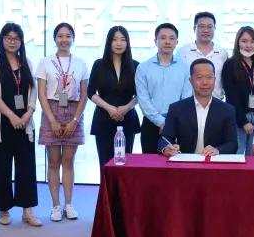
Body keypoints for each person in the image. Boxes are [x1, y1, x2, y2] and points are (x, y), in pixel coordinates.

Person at [0, 23, 41, 227]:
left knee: (27, 168)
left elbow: (33, 90)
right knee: (2, 169)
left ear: (21, 41)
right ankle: (4, 210)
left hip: (25, 123)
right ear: (2, 39)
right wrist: (11, 116)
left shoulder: (26, 62)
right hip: (1, 125)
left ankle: (28, 211)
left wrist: (29, 113)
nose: (12, 41)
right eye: (8, 37)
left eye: (16, 38)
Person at [36, 23, 88, 222]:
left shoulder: (80, 63)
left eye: (68, 36)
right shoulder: (45, 62)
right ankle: (55, 206)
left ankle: (69, 204)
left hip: (74, 111)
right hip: (51, 110)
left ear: (73, 38)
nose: (64, 40)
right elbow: (42, 94)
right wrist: (52, 120)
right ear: (55, 39)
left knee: (68, 161)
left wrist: (75, 120)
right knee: (53, 161)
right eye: (60, 36)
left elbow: (84, 95)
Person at [160, 59, 238, 156]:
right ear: (191, 80)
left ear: (215, 80)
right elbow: (164, 139)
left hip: (213, 162)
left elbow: (233, 144)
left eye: (209, 77)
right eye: (199, 77)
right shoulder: (176, 108)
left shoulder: (227, 110)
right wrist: (167, 148)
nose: (205, 82)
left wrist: (217, 150)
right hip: (184, 161)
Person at [88, 26, 140, 167]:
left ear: (127, 43)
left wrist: (126, 108)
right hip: (103, 119)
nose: (119, 43)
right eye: (115, 39)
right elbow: (90, 92)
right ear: (109, 42)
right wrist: (109, 108)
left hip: (127, 119)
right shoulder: (99, 64)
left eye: (123, 39)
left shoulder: (135, 65)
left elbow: (140, 94)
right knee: (105, 163)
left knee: (124, 163)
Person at [135, 23, 192, 153]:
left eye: (172, 38)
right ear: (155, 41)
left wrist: (171, 122)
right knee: (150, 163)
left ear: (177, 42)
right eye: (163, 38)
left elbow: (186, 97)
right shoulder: (143, 68)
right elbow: (143, 99)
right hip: (150, 123)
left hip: (178, 124)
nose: (167, 42)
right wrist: (161, 122)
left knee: (176, 163)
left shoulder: (185, 67)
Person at [222, 26, 254, 155]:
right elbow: (231, 96)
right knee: (237, 154)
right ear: (238, 42)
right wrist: (243, 121)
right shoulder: (230, 64)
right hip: (238, 117)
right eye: (244, 41)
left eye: (252, 41)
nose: (248, 45)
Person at [177, 11, 228, 99]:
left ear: (214, 29)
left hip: (216, 103)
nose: (206, 30)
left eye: (209, 27)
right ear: (194, 28)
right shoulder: (183, 52)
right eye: (202, 26)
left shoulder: (222, 54)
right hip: (188, 103)